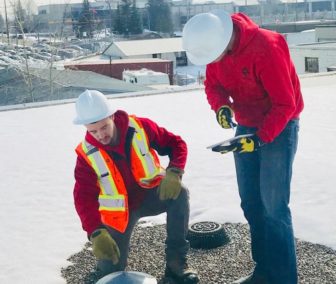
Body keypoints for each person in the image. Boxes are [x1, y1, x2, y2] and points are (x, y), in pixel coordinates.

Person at [182, 10, 304, 284]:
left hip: (280, 125)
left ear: (225, 40)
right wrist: (221, 107)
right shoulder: (217, 50)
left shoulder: (267, 47)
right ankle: (264, 272)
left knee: (274, 207)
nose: (213, 62)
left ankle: (284, 279)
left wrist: (259, 139)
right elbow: (213, 85)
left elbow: (285, 104)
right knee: (251, 202)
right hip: (247, 125)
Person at [72, 89, 199, 284]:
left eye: (104, 127)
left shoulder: (140, 127)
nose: (100, 135)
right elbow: (83, 197)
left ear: (112, 116)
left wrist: (174, 171)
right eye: (93, 131)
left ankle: (176, 264)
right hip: (120, 214)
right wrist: (95, 231)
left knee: (179, 193)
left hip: (151, 196)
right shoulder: (86, 155)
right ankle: (103, 270)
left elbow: (176, 143)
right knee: (109, 273)